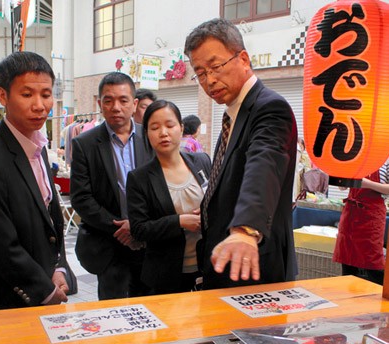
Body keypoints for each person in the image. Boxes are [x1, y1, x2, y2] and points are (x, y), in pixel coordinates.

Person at [184, 18, 298, 290]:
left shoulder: (270, 108)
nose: (209, 80)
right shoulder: (232, 113)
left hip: (255, 266)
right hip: (225, 263)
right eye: (200, 73)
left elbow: (264, 164)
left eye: (216, 66)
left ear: (243, 58)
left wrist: (246, 229)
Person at [0, 51, 69, 310]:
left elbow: (51, 219)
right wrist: (45, 290)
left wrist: (60, 268)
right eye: (27, 94)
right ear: (2, 96)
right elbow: (1, 245)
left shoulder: (38, 146)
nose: (39, 105)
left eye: (46, 95)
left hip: (47, 283)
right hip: (9, 299)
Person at [70, 72, 152, 300]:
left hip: (148, 243)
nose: (116, 107)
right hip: (109, 243)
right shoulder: (84, 144)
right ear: (99, 103)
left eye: (123, 100)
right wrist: (120, 228)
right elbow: (81, 197)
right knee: (112, 310)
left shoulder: (150, 137)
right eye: (108, 100)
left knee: (151, 309)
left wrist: (139, 228)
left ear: (134, 104)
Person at [127, 100, 211, 294]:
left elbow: (219, 202)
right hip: (166, 275)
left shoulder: (202, 162)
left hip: (207, 267)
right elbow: (139, 229)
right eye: (154, 128)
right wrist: (179, 222)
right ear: (147, 134)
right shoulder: (139, 178)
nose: (163, 133)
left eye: (170, 125)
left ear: (181, 128)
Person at [333, 165, 389, 285]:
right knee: (348, 262)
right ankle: (350, 301)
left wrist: (366, 183)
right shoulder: (356, 156)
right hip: (351, 213)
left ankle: (383, 299)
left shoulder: (386, 158)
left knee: (374, 264)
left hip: (372, 216)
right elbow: (342, 187)